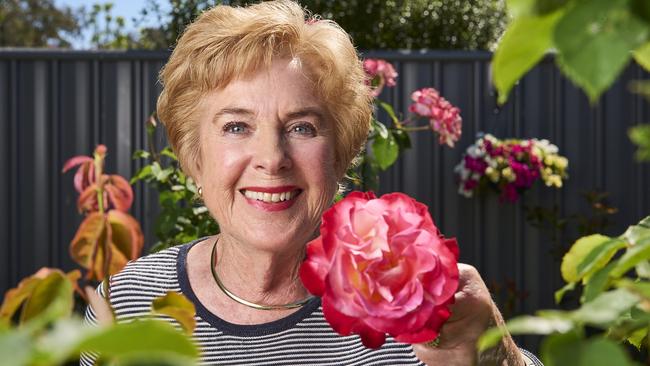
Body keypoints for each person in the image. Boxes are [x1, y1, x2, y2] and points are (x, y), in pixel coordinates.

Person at [82, 1, 541, 365]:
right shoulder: (126, 301)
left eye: (302, 127)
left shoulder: (409, 311)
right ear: (193, 157)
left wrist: (490, 356)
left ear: (340, 154)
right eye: (236, 126)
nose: (272, 159)